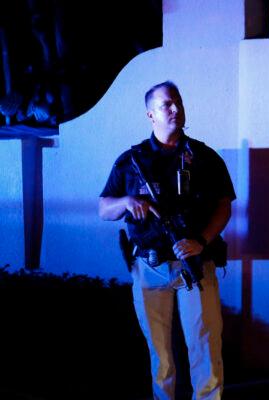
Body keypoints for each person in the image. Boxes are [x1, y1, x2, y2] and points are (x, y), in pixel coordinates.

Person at [99, 80, 235, 400]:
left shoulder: (203, 157)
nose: (175, 109)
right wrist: (126, 203)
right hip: (150, 267)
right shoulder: (131, 161)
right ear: (151, 115)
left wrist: (202, 240)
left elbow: (224, 206)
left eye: (178, 102)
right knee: (160, 355)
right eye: (166, 105)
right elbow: (105, 208)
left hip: (195, 265)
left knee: (206, 346)